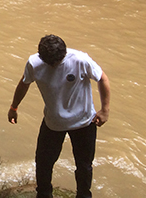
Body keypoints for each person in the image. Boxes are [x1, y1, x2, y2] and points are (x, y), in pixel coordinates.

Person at [8, 34, 111, 198]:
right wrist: (14, 107)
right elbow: (24, 83)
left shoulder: (80, 60)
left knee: (84, 165)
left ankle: (84, 195)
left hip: (84, 122)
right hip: (53, 123)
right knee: (43, 163)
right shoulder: (34, 63)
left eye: (58, 62)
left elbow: (102, 78)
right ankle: (44, 194)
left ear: (63, 54)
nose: (54, 66)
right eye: (50, 63)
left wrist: (104, 110)